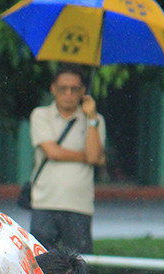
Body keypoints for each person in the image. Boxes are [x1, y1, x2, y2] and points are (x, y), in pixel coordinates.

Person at [28, 63, 106, 255]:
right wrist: (86, 157)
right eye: (63, 88)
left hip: (79, 205)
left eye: (74, 89)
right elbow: (52, 152)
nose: (69, 93)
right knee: (41, 265)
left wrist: (92, 118)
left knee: (79, 266)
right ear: (53, 88)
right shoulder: (40, 114)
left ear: (83, 91)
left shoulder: (95, 120)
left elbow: (95, 156)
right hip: (45, 202)